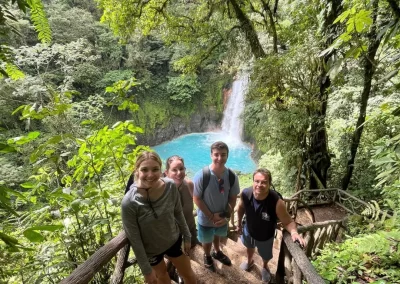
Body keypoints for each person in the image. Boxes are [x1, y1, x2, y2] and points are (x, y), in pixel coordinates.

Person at [121, 151, 196, 284]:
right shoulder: (129, 202)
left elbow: (178, 212)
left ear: (161, 170)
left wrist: (187, 236)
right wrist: (146, 270)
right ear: (137, 171)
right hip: (151, 250)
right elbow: (135, 239)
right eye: (144, 169)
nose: (150, 174)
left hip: (173, 240)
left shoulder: (170, 186)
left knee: (189, 275)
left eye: (155, 169)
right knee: (162, 277)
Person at [237, 168, 306, 282]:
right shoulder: (245, 194)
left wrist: (294, 232)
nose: (259, 185)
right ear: (253, 181)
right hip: (248, 230)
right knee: (249, 247)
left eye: (264, 182)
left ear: (269, 183)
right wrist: (238, 223)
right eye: (257, 181)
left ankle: (265, 266)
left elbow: (288, 221)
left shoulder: (276, 202)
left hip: (266, 235)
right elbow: (240, 208)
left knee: (265, 255)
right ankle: (249, 261)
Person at [193, 141, 240, 272]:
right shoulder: (202, 175)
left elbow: (232, 198)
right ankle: (207, 255)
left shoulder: (231, 176)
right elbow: (196, 198)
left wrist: (226, 215)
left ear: (227, 155)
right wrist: (211, 216)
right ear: (211, 155)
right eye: (216, 155)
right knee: (206, 239)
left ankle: (217, 251)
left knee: (218, 235)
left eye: (223, 155)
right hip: (206, 217)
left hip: (222, 216)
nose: (220, 158)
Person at [165, 155, 198, 247]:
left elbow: (198, 202)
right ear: (167, 173)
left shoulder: (189, 184)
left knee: (192, 249)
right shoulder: (163, 192)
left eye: (181, 168)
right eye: (174, 170)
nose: (179, 173)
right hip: (174, 236)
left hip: (191, 228)